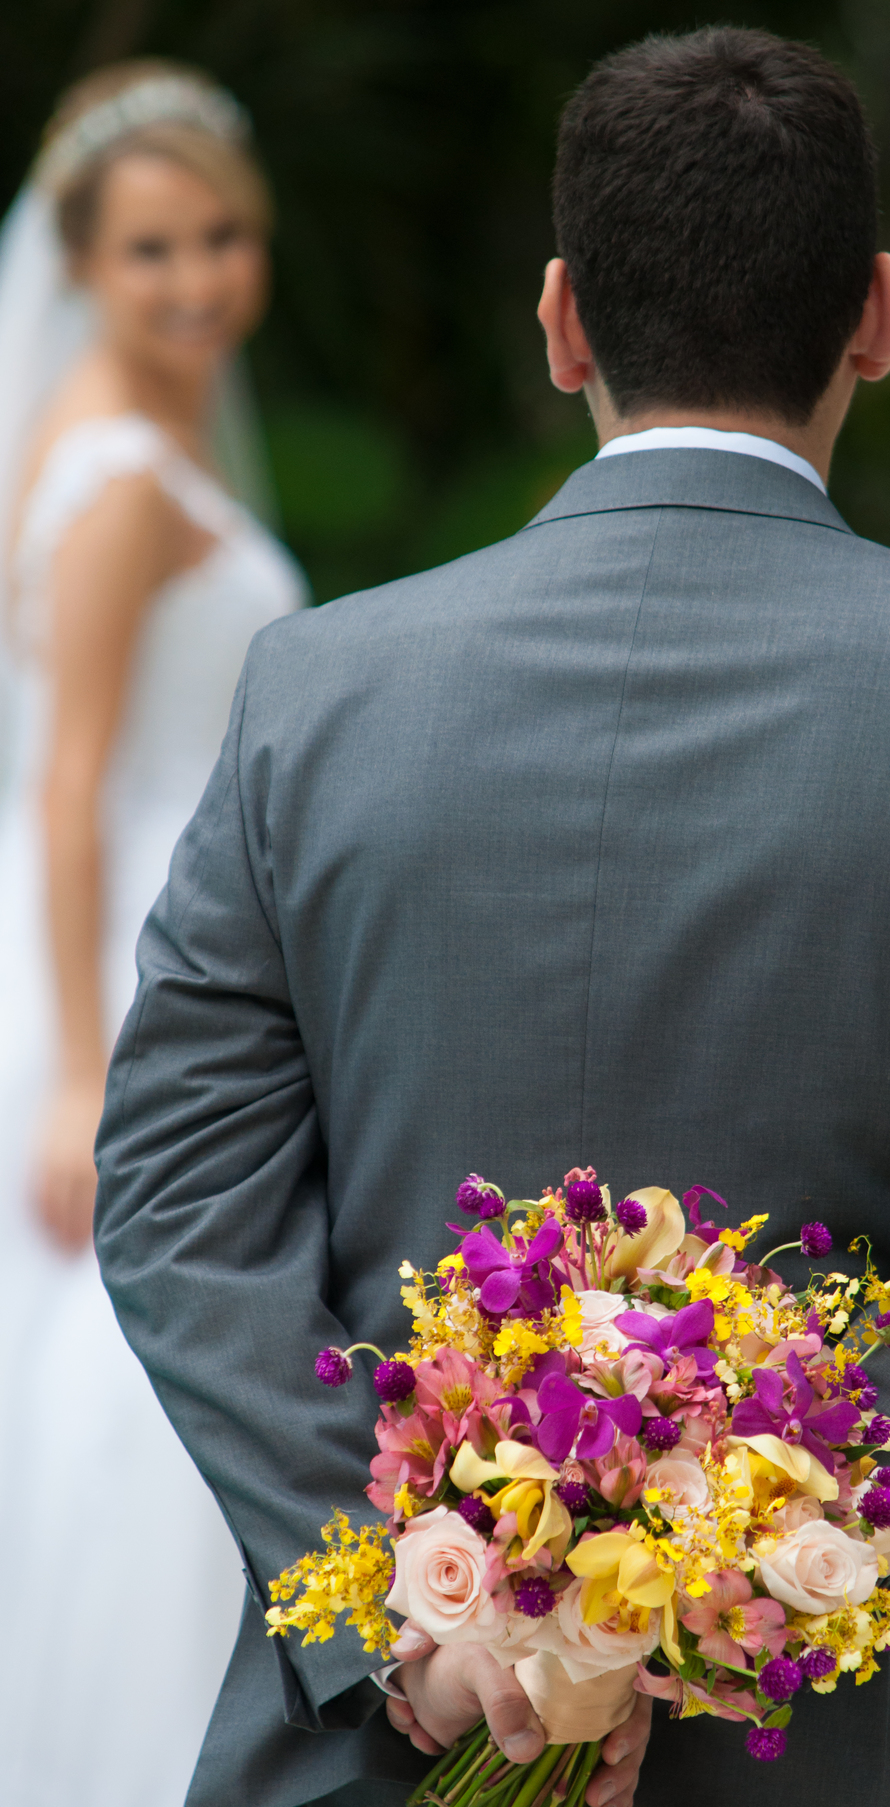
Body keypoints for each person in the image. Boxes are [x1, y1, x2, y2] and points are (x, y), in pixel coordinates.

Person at [94, 27, 890, 1807]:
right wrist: (710, 1557)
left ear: (559, 322)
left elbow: (174, 1197)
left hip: (387, 1741)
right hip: (842, 1739)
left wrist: (427, 1616)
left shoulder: (319, 690)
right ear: (880, 316)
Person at [0, 60, 305, 1807]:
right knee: (136, 1363)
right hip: (123, 953)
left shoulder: (149, 431)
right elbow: (66, 783)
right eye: (151, 251)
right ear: (84, 266)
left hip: (172, 932)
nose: (197, 279)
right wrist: (75, 1069)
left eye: (224, 238)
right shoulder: (118, 472)